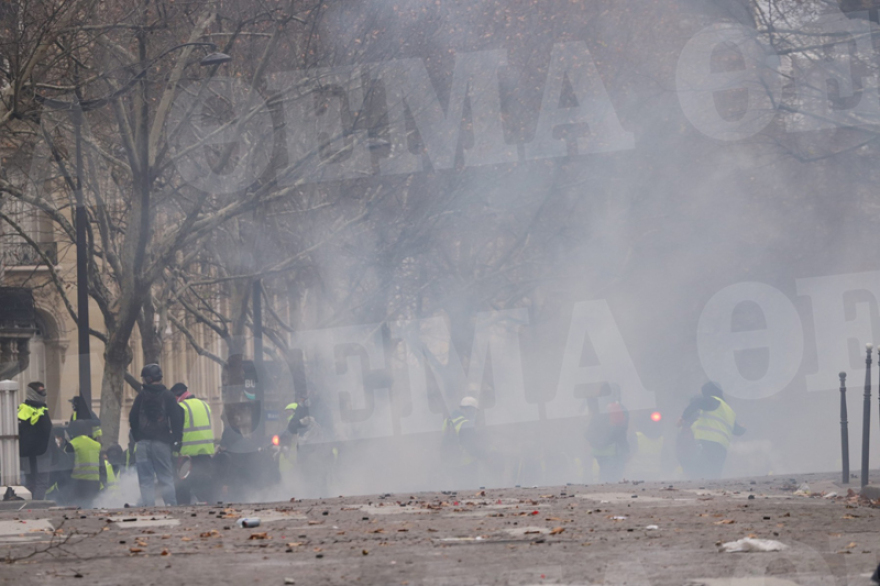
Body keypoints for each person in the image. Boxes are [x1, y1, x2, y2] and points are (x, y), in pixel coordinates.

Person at [129, 364, 184, 506]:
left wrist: (137, 437)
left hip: (142, 444)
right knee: (165, 478)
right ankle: (171, 506)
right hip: (162, 443)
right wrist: (176, 439)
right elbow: (176, 418)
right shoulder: (168, 395)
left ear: (148, 378)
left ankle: (149, 508)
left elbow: (132, 418)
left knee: (145, 480)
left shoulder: (141, 396)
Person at [677, 382, 745, 479]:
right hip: (722, 447)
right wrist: (744, 428)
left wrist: (683, 417)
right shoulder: (729, 410)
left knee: (699, 471)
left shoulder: (713, 401)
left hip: (707, 441)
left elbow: (697, 403)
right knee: (714, 474)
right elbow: (738, 431)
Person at [171, 383, 216, 504]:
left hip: (187, 454)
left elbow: (177, 431)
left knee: (183, 487)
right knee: (205, 484)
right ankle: (208, 505)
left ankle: (184, 508)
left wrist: (174, 449)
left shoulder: (181, 407)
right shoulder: (204, 405)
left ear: (176, 396)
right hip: (205, 452)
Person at [442, 396, 489, 488]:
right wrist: (483, 455)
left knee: (457, 489)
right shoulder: (465, 424)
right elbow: (470, 446)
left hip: (451, 463)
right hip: (466, 464)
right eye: (474, 411)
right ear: (470, 409)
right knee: (470, 489)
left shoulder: (447, 421)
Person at [18, 381, 53, 500]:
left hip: (27, 454)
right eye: (40, 391)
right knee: (41, 482)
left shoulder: (22, 409)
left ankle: (29, 505)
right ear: (33, 392)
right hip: (42, 453)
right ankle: (36, 507)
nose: (44, 394)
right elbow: (47, 431)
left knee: (30, 482)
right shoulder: (41, 409)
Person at [66, 420, 104, 506]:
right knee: (90, 507)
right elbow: (101, 466)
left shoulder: (72, 444)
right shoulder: (96, 445)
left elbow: (68, 466)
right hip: (94, 483)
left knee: (75, 508)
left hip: (78, 483)